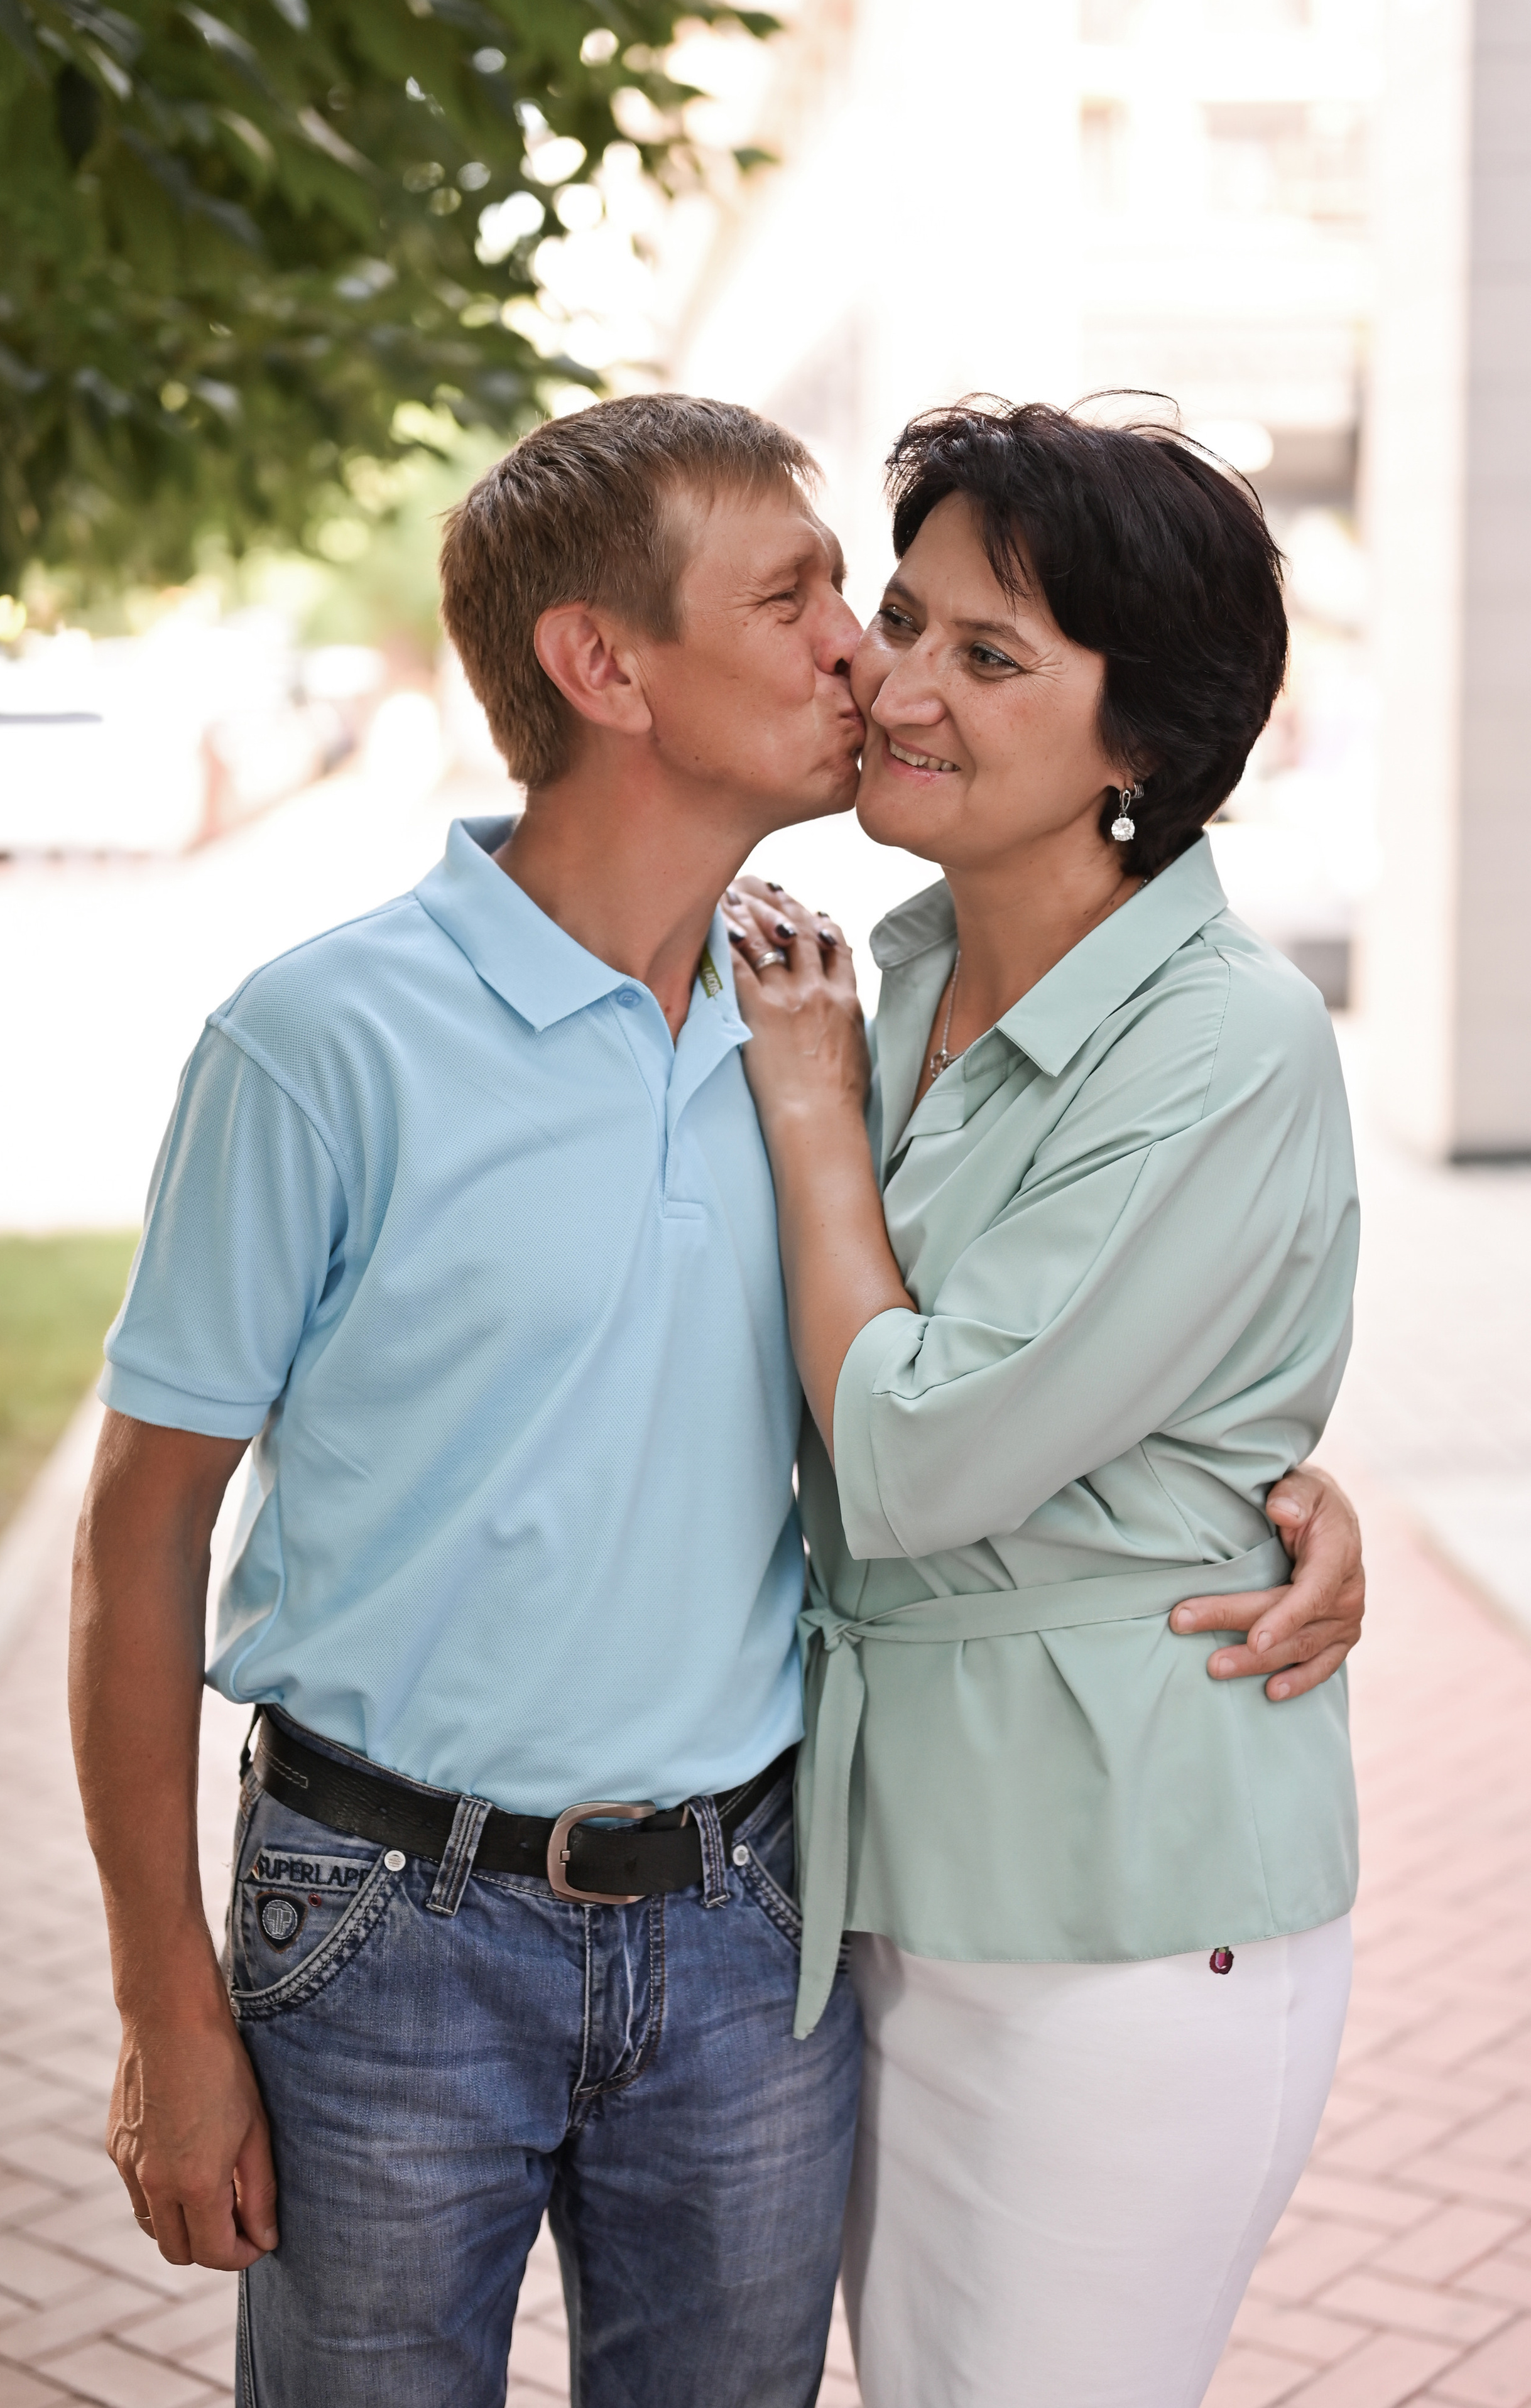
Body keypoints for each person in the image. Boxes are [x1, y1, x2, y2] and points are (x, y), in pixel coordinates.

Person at [70, 394, 1365, 2408]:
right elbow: (139, 1521)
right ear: (606, 668)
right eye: (815, 601)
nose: (870, 656)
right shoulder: (356, 1035)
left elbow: (1012, 1363)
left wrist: (1262, 1489)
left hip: (759, 1927)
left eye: (906, 616)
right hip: (394, 1923)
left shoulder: (820, 1025)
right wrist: (164, 1994)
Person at [724, 397, 1363, 2408]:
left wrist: (815, 1124)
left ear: (1144, 746)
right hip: (874, 1883)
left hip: (1123, 1915)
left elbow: (908, 1449)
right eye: (903, 620)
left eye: (989, 657)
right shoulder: (875, 974)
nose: (898, 686)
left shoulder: (1227, 1044)